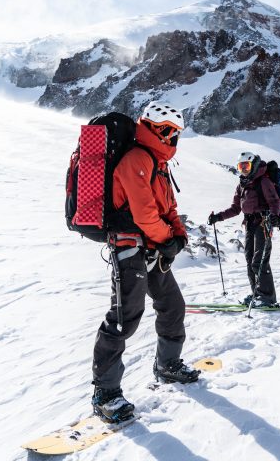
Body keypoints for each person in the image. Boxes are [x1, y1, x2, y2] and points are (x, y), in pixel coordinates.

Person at [91, 102, 200, 424]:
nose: (171, 137)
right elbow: (143, 213)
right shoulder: (137, 159)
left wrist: (178, 235)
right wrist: (167, 240)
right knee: (125, 317)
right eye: (166, 129)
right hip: (129, 246)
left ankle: (167, 365)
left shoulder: (158, 164)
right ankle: (105, 394)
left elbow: (168, 206)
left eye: (176, 132)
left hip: (151, 248)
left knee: (172, 305)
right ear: (150, 126)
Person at [208, 152, 280, 307]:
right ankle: (257, 294)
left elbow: (274, 201)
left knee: (259, 261)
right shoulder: (241, 185)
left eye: (246, 166)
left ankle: (267, 298)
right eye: (240, 167)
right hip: (250, 225)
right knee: (249, 261)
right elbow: (235, 209)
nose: (244, 170)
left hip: (263, 223)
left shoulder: (263, 181)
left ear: (253, 165)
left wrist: (274, 217)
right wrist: (218, 217)